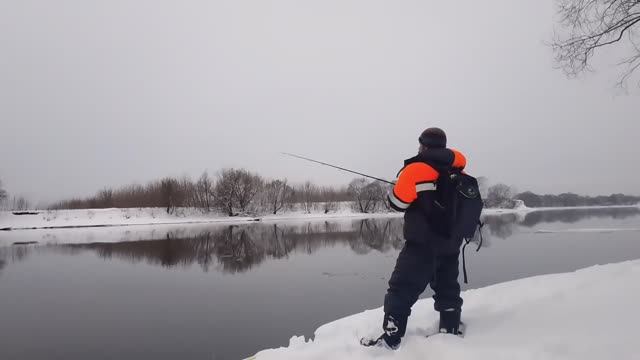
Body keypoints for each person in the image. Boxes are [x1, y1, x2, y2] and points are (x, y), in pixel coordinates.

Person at [361, 127, 467, 349]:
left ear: (423, 145)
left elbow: (398, 203)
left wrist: (396, 187)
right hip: (450, 242)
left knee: (401, 288)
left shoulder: (416, 169)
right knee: (447, 286)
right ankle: (450, 329)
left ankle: (391, 340)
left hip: (423, 244)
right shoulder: (457, 168)